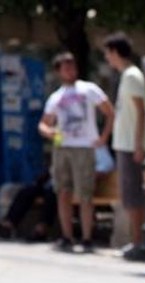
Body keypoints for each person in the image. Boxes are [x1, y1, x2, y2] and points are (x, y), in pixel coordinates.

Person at [38, 51, 114, 253]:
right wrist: (50, 132)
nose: (70, 70)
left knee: (85, 194)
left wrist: (104, 136)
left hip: (84, 147)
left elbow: (109, 112)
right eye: (65, 67)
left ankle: (87, 237)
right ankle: (67, 236)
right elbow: (43, 124)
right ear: (59, 72)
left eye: (72, 66)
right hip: (62, 146)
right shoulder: (56, 97)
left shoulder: (89, 89)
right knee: (63, 191)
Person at [0, 147, 115, 243]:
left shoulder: (93, 142)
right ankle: (9, 224)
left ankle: (42, 228)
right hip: (58, 180)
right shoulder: (64, 141)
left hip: (78, 184)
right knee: (28, 191)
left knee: (54, 193)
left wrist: (86, 176)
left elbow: (107, 164)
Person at [103, 31, 145, 256]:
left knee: (133, 195)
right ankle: (136, 240)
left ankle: (139, 242)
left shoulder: (132, 76)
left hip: (131, 144)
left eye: (108, 53)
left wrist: (139, 144)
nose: (107, 58)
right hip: (126, 143)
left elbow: (141, 112)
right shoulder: (127, 76)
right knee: (129, 194)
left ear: (114, 52)